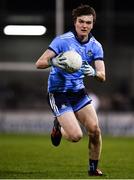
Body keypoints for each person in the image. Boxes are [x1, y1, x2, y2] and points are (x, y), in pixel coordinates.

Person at [36, 4, 106, 176]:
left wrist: (94, 73)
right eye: (81, 21)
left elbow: (103, 76)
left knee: (95, 129)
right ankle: (58, 126)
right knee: (75, 136)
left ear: (92, 24)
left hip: (78, 92)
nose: (84, 25)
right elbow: (39, 63)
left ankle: (92, 169)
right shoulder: (62, 41)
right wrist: (53, 62)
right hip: (58, 92)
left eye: (88, 23)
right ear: (75, 22)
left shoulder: (96, 46)